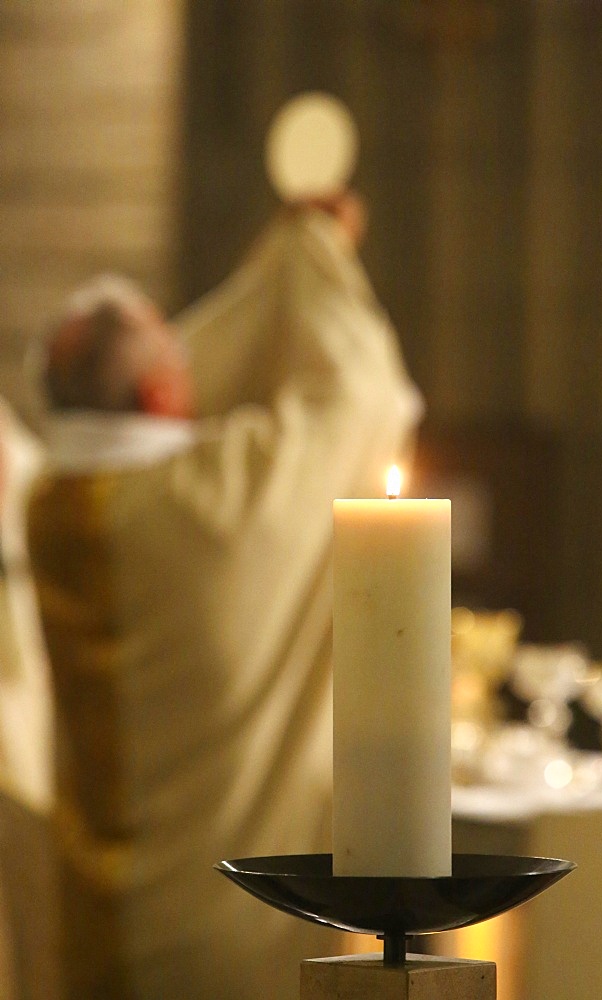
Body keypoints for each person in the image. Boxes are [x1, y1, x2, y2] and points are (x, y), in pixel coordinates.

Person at [26, 194, 423, 1000]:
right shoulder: (207, 505)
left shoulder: (51, 498)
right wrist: (314, 254)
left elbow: (167, 379)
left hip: (91, 920)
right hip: (231, 922)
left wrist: (277, 270)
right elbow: (357, 397)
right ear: (165, 396)